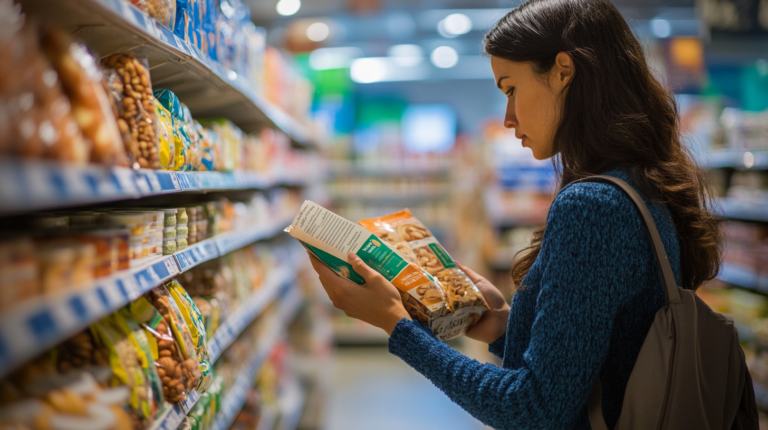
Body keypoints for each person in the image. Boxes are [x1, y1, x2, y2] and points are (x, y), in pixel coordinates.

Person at [306, 0, 722, 428]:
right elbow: (601, 357)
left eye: (510, 89)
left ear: (563, 70)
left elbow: (533, 408)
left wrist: (396, 326)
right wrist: (503, 324)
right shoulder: (639, 181)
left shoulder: (593, 206)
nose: (507, 118)